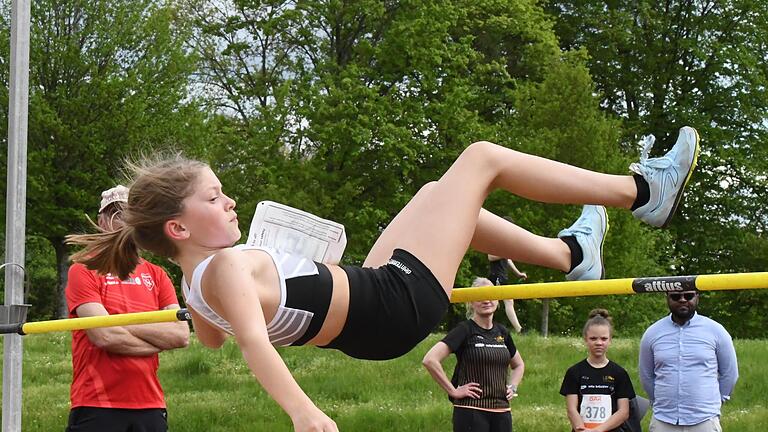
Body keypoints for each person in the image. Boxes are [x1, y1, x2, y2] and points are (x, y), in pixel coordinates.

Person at [66, 126, 699, 432]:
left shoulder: (200, 281)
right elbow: (255, 345)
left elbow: (212, 340)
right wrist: (306, 415)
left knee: (438, 195)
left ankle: (569, 254)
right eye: (215, 197)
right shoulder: (227, 267)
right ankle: (641, 191)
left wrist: (278, 282)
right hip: (394, 304)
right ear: (178, 228)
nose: (230, 202)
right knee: (479, 161)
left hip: (375, 298)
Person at [65, 185, 190, 432]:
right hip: (96, 405)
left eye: (129, 215)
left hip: (150, 406)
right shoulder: (83, 269)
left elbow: (180, 335)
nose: (122, 222)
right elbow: (104, 336)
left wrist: (116, 319)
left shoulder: (158, 275)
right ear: (102, 221)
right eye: (115, 215)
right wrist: (156, 342)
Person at [422, 277, 525, 432]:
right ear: (470, 302)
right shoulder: (465, 329)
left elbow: (519, 365)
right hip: (471, 411)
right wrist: (453, 390)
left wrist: (513, 386)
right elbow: (430, 360)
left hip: (502, 412)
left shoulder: (502, 332)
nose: (486, 300)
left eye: (490, 295)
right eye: (480, 296)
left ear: (497, 300)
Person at [639, 290, 738, 432]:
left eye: (688, 296)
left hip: (704, 419)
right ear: (667, 297)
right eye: (676, 296)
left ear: (697, 297)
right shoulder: (652, 333)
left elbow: (729, 373)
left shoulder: (716, 331)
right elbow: (646, 375)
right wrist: (660, 401)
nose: (682, 300)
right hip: (664, 420)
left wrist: (717, 401)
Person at [560, 309, 636, 432]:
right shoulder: (574, 372)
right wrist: (582, 429)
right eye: (593, 338)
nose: (599, 343)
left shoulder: (619, 373)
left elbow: (623, 412)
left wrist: (598, 430)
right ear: (585, 339)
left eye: (604, 339)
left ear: (610, 340)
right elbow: (571, 409)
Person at [488, 236, 527, 332]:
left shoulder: (504, 246)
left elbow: (508, 259)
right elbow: (490, 257)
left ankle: (519, 329)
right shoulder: (493, 243)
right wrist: (506, 253)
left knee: (507, 302)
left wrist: (518, 273)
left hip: (502, 277)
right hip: (496, 277)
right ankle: (518, 329)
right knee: (493, 303)